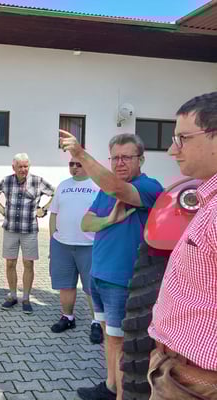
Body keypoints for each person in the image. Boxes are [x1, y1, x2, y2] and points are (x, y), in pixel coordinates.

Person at [59, 131, 163, 400]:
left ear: (141, 159)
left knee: (122, 342)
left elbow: (119, 190)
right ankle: (110, 387)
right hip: (99, 275)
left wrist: (80, 154)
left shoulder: (148, 187)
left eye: (126, 157)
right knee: (109, 335)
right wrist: (109, 220)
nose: (120, 163)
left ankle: (122, 394)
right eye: (115, 158)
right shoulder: (106, 189)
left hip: (122, 279)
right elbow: (86, 223)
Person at [147, 92, 217, 400]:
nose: (172, 149)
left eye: (183, 138)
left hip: (197, 381)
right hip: (183, 373)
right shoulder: (209, 200)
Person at [0, 153, 55, 314]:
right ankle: (12, 295)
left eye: (26, 166)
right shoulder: (7, 181)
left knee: (28, 264)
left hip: (29, 230)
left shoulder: (38, 181)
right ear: (14, 167)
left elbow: (56, 193)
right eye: (20, 166)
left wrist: (44, 209)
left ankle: (25, 298)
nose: (24, 169)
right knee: (10, 263)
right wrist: (1, 208)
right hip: (10, 229)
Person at [49, 157, 103, 344]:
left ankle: (97, 322)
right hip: (62, 244)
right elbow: (54, 214)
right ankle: (67, 317)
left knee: (91, 288)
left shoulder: (97, 186)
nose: (74, 167)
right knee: (65, 284)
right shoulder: (63, 186)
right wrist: (52, 239)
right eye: (71, 164)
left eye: (78, 164)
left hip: (89, 246)